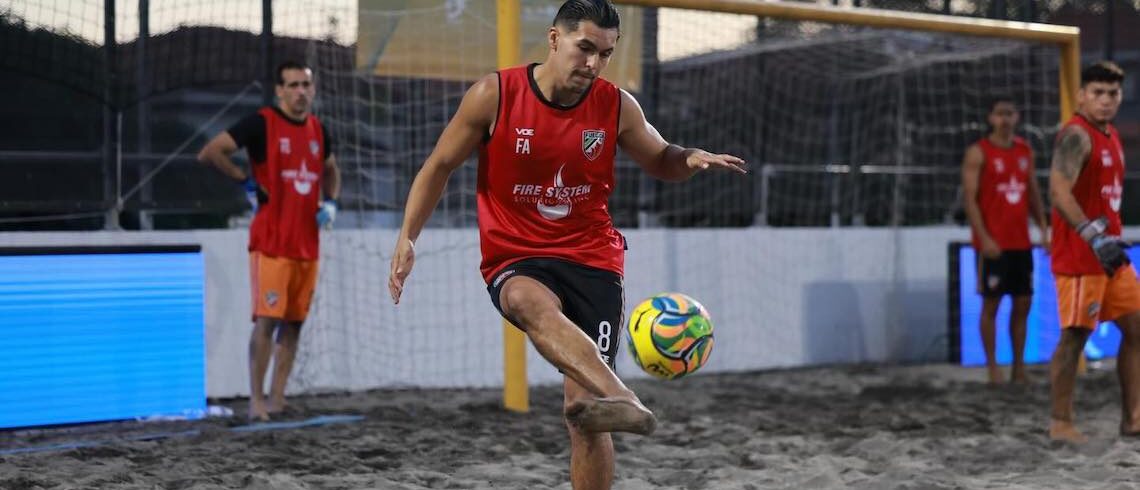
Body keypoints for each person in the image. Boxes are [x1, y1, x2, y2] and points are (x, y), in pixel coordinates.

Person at [386, 1, 745, 488]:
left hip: (593, 260)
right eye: (585, 49)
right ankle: (627, 397)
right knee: (523, 300)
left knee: (583, 415)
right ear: (554, 39)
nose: (594, 64)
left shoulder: (617, 105)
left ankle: (611, 400)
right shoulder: (495, 94)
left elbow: (661, 158)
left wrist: (689, 158)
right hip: (517, 255)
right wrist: (408, 235)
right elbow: (438, 166)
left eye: (605, 54)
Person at [197, 61, 341, 421]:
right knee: (266, 321)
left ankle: (278, 398)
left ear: (313, 89)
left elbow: (332, 169)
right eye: (292, 85)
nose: (300, 91)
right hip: (272, 244)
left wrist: (332, 202)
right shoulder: (261, 123)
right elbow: (211, 151)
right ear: (279, 90)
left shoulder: (319, 129)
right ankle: (256, 401)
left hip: (307, 245)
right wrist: (245, 181)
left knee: (294, 323)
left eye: (305, 85)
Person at [1047, 61, 1136, 444]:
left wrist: (1111, 237)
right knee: (1074, 337)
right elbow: (1058, 190)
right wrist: (1092, 236)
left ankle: (1134, 418)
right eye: (1097, 92)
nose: (1105, 100)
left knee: (1137, 329)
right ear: (1082, 94)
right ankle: (1060, 422)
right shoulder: (1076, 135)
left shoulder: (1111, 134)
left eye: (1112, 93)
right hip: (1082, 257)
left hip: (1111, 255)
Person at [960, 96, 1049, 384]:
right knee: (991, 305)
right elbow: (970, 200)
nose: (1005, 119)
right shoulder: (979, 152)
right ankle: (992, 368)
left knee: (1023, 303)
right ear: (990, 118)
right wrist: (983, 238)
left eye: (1010, 113)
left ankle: (1019, 368)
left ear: (1017, 117)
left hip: (1020, 242)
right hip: (992, 244)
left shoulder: (1025, 150)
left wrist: (1044, 229)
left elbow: (1033, 192)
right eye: (1000, 114)